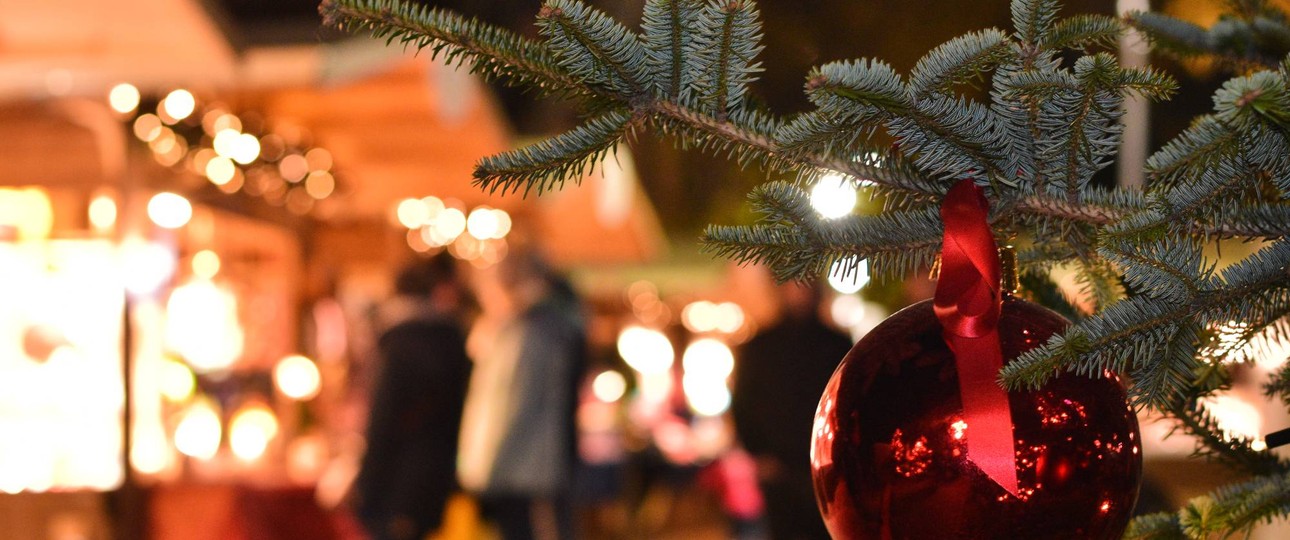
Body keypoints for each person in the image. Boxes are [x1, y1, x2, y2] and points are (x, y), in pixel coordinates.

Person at [457, 248, 586, 540]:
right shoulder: (529, 329)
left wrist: (483, 472)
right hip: (523, 470)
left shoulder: (529, 334)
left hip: (523, 472)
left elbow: (512, 406)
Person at [354, 253, 472, 540]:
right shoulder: (453, 338)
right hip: (437, 476)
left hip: (396, 481)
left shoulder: (400, 343)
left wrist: (366, 486)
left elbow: (384, 420)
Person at [731, 279, 853, 540]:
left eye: (807, 285)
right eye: (795, 284)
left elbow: (849, 402)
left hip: (824, 466)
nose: (801, 292)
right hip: (778, 467)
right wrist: (758, 452)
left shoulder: (836, 345)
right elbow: (743, 403)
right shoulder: (760, 347)